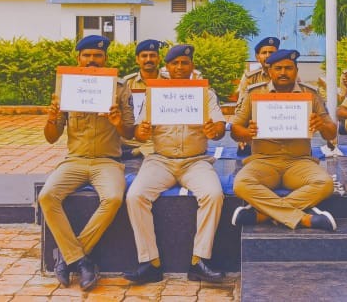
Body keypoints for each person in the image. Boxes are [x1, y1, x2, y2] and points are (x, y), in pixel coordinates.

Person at [123, 44, 228, 285]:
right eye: (175, 63)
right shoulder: (155, 93)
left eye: (184, 63)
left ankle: (199, 260)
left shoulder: (205, 93)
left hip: (195, 161)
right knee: (135, 196)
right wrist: (142, 131)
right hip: (161, 160)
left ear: (192, 66)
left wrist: (214, 130)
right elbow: (139, 132)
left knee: (213, 195)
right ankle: (150, 262)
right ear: (167, 67)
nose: (180, 67)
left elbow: (220, 127)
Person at [38, 35, 134, 291]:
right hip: (75, 160)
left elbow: (130, 132)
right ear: (78, 58)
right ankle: (80, 260)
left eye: (98, 56)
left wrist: (117, 123)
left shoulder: (120, 88)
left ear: (106, 59)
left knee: (113, 198)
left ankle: (68, 257)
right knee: (47, 196)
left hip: (107, 161)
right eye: (87, 55)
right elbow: (51, 137)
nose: (92, 60)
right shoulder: (67, 87)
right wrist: (51, 118)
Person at [230, 49, 339, 231]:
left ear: (296, 70)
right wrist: (247, 133)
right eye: (278, 68)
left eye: (288, 68)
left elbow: (331, 133)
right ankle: (303, 219)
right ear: (269, 71)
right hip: (263, 161)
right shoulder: (255, 93)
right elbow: (235, 129)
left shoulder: (310, 94)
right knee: (241, 184)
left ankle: (263, 215)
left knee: (325, 184)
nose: (283, 72)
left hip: (299, 162)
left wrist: (321, 125)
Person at [235, 36, 280, 156]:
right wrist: (242, 132)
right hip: (256, 129)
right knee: (244, 151)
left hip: (282, 126)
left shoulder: (289, 76)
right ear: (257, 57)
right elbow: (240, 108)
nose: (268, 56)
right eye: (264, 53)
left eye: (271, 52)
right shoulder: (249, 78)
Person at [121, 39, 163, 157]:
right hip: (132, 140)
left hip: (159, 137)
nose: (148, 59)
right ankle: (141, 150)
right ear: (137, 59)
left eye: (152, 56)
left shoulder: (169, 82)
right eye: (144, 56)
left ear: (158, 59)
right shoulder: (127, 83)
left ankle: (139, 152)